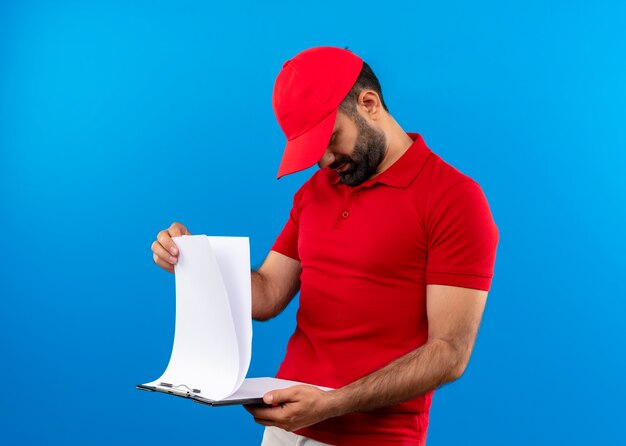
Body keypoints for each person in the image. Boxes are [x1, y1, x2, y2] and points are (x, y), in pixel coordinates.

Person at [151, 46, 499, 446]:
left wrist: (331, 403)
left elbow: (449, 352)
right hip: (285, 426)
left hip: (375, 437)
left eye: (332, 139)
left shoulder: (454, 199)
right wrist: (193, 261)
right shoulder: (316, 190)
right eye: (315, 151)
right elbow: (266, 294)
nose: (326, 160)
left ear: (368, 104)